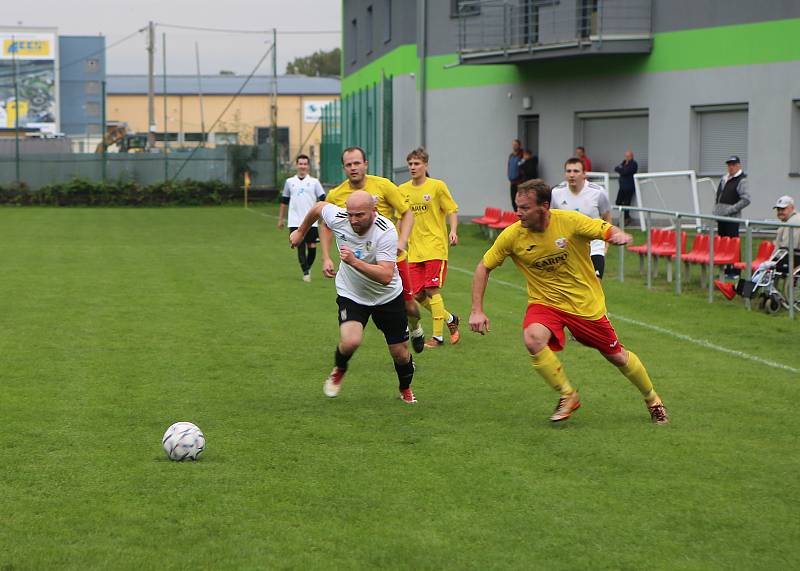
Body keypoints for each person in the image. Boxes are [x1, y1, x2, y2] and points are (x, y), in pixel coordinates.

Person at [468, 178, 669, 425]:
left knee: (617, 356)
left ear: (544, 206)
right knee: (532, 339)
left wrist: (617, 235)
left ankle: (653, 400)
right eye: (517, 206)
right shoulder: (512, 236)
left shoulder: (569, 221)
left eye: (525, 208)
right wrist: (477, 310)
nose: (518, 213)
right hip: (546, 303)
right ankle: (568, 394)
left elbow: (603, 228)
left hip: (584, 304)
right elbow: (483, 267)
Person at [289, 190, 418, 404]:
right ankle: (340, 368)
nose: (353, 220)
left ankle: (405, 388)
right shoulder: (339, 218)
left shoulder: (386, 231)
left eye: (360, 215)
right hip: (352, 293)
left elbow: (386, 276)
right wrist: (301, 232)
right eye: (350, 214)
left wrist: (354, 262)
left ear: (373, 212)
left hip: (386, 296)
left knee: (401, 354)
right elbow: (319, 207)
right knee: (350, 341)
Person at [321, 147, 424, 353]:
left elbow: (407, 213)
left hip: (391, 258)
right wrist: (326, 257)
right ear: (344, 168)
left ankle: (415, 327)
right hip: (359, 263)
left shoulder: (383, 185)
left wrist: (401, 241)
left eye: (357, 163)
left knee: (410, 307)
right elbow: (325, 224)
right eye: (349, 164)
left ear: (365, 164)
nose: (353, 168)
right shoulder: (336, 194)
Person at [399, 147, 460, 349]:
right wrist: (400, 241)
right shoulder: (403, 190)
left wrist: (453, 231)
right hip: (415, 249)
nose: (413, 167)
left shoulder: (436, 186)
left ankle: (437, 337)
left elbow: (451, 210)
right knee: (417, 294)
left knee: (432, 289)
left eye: (417, 164)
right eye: (410, 164)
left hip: (435, 245)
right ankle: (450, 319)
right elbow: (401, 218)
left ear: (426, 165)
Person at [551, 157, 612, 279]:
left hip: (594, 248)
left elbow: (607, 217)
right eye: (568, 171)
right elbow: (551, 219)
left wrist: (605, 244)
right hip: (567, 249)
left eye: (576, 171)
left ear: (584, 174)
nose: (572, 175)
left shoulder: (598, 192)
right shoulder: (556, 193)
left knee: (595, 285)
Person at [278, 154, 326, 282]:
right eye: (301, 163)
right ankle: (305, 272)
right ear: (297, 165)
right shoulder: (289, 182)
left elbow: (323, 199)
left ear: (308, 166)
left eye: (305, 164)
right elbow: (284, 201)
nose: (303, 166)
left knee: (312, 248)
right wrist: (281, 219)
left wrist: (323, 217)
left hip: (312, 221)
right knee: (300, 246)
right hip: (294, 221)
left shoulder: (315, 182)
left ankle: (307, 268)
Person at [714, 155, 750, 278]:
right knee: (723, 243)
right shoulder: (724, 178)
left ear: (739, 165)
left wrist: (731, 209)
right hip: (721, 217)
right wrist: (716, 210)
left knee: (733, 243)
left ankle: (735, 271)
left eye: (733, 164)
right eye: (729, 165)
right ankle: (725, 268)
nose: (731, 167)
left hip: (732, 218)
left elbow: (746, 199)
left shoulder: (741, 180)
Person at [614, 150, 638, 226]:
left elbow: (626, 172)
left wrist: (622, 170)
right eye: (626, 156)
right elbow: (616, 168)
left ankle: (625, 219)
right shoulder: (624, 162)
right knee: (618, 202)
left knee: (627, 203)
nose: (627, 158)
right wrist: (622, 170)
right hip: (622, 187)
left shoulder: (634, 164)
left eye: (628, 156)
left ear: (632, 156)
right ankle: (625, 217)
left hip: (629, 187)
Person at [507, 139, 524, 210]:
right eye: (513, 145)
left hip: (519, 182)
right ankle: (515, 214)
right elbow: (509, 166)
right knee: (513, 199)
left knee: (519, 200)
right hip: (512, 181)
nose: (514, 146)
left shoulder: (522, 155)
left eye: (515, 145)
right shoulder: (511, 156)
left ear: (519, 146)